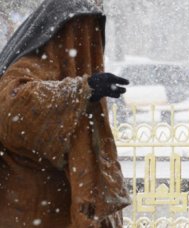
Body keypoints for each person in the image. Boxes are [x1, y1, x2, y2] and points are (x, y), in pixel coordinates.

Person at [0, 0, 131, 227]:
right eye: (84, 33)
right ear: (67, 30)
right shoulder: (32, 61)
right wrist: (81, 91)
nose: (90, 46)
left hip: (54, 205)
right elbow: (13, 107)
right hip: (33, 208)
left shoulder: (63, 65)